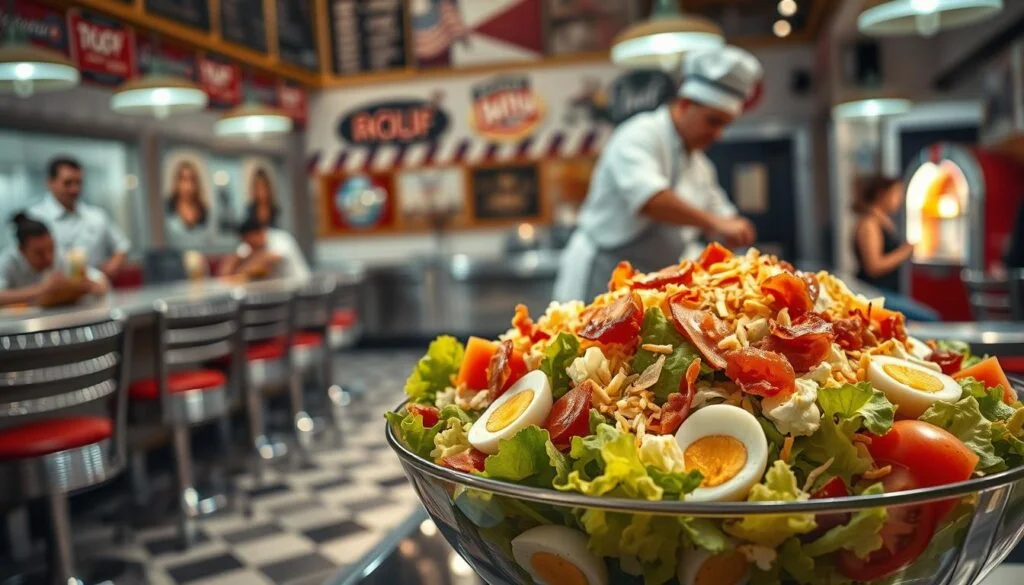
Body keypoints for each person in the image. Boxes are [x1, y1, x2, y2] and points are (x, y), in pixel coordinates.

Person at [553, 45, 761, 303]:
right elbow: (650, 200)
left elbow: (723, 218)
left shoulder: (700, 167)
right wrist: (714, 223)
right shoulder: (638, 134)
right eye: (713, 121)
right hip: (602, 272)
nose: (718, 134)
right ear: (685, 105)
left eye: (725, 125)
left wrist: (734, 229)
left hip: (647, 286)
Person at [852, 175, 939, 322]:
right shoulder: (870, 224)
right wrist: (904, 252)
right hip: (875, 293)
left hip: (886, 291)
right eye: (896, 193)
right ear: (882, 194)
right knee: (930, 318)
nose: (899, 199)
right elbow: (874, 266)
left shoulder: (882, 221)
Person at [28, 156, 130, 280]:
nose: (75, 189)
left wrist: (111, 267)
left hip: (95, 292)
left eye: (79, 183)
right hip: (51, 295)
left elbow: (122, 246)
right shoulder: (33, 218)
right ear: (50, 182)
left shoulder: (97, 216)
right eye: (68, 183)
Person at [0, 213, 108, 306]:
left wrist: (87, 285)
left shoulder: (59, 256)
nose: (49, 257)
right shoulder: (7, 261)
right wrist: (42, 289)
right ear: (21, 250)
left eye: (51, 249)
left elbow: (100, 280)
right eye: (39, 253)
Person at [217, 216, 310, 281]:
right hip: (276, 294)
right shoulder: (248, 246)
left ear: (261, 233)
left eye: (252, 242)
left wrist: (245, 268)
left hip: (299, 290)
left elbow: (269, 259)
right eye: (247, 242)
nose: (251, 246)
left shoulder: (280, 238)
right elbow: (227, 268)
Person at [167, 161, 209, 231]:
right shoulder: (167, 207)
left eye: (192, 180)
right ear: (177, 182)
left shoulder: (204, 211)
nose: (188, 186)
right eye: (184, 179)